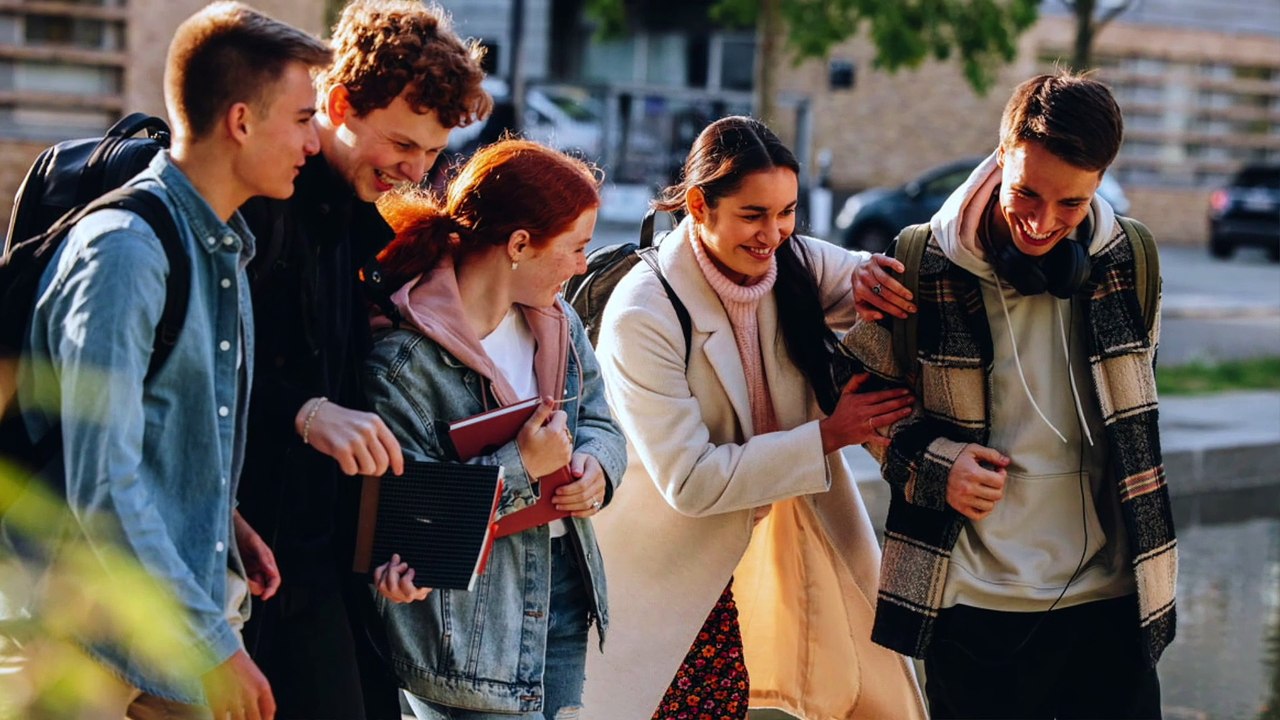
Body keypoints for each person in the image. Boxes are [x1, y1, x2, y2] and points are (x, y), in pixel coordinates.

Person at [3, 3, 331, 718]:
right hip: (82, 644)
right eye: (304, 118)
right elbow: (103, 480)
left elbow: (161, 425)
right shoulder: (124, 251)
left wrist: (222, 516)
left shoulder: (226, 251)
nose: (315, 142)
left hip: (164, 639)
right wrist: (215, 642)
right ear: (241, 121)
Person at [842, 70, 1176, 719]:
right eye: (1026, 193)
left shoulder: (1133, 261)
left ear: (1099, 185)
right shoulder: (920, 263)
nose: (1042, 223)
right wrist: (939, 467)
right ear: (1001, 159)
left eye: (1071, 204)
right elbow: (859, 405)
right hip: (974, 611)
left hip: (1113, 606)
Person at [584, 116, 926, 720]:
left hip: (778, 521)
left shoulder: (792, 262)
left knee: (852, 683)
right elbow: (690, 482)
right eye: (753, 214)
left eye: (787, 211)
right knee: (700, 701)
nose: (774, 233)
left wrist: (878, 276)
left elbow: (896, 276)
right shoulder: (643, 312)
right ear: (698, 204)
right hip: (666, 552)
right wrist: (830, 434)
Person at [234, 1, 491, 716]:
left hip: (320, 560)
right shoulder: (260, 199)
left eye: (433, 153)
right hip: (249, 555)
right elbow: (200, 369)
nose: (414, 170)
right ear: (339, 102)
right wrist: (303, 412)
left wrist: (388, 549)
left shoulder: (361, 219)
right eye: (401, 144)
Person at [360, 138, 627, 720]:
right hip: (467, 631)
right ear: (520, 245)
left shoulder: (559, 325)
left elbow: (603, 421)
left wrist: (598, 469)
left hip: (561, 595)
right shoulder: (404, 363)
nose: (584, 265)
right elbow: (401, 519)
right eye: (576, 248)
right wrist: (522, 465)